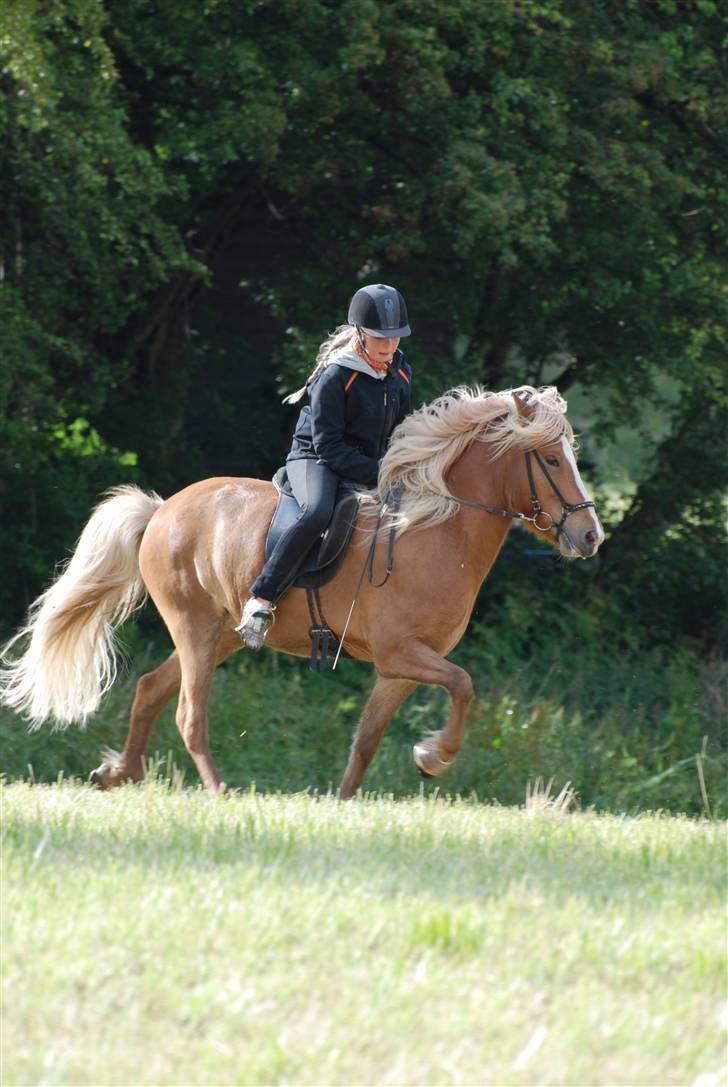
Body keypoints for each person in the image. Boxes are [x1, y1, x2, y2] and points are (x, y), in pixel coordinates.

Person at [236, 283, 413, 648]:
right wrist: (380, 473)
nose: (390, 346)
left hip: (366, 461)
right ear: (361, 334)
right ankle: (262, 598)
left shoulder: (400, 371)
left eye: (395, 338)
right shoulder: (336, 376)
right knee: (317, 511)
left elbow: (402, 426)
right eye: (381, 338)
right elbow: (329, 447)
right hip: (315, 458)